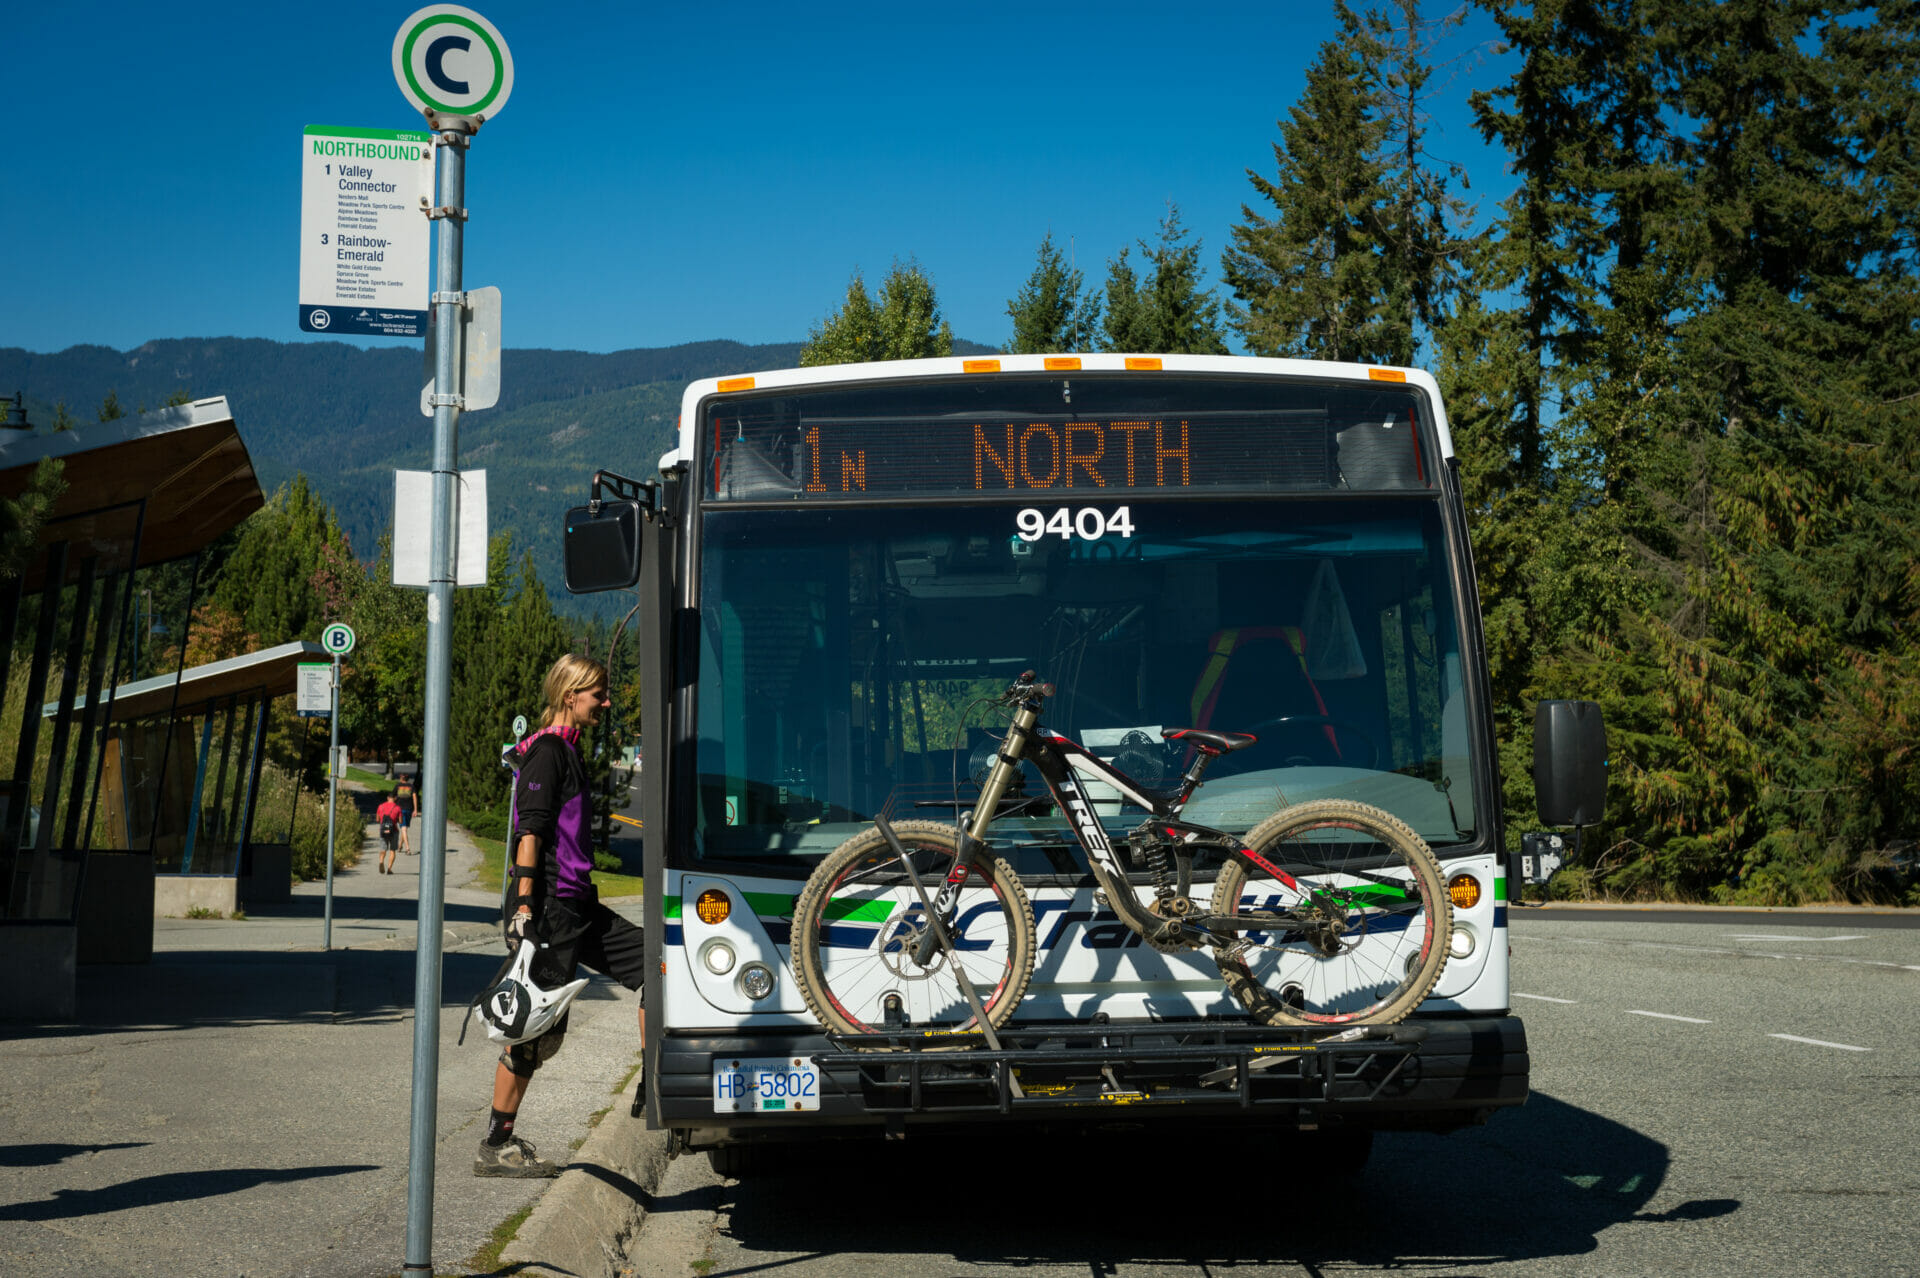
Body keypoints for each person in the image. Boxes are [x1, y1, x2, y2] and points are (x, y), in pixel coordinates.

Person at [475, 653, 646, 1178]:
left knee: (657, 964)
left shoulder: (568, 750)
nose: (607, 702)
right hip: (547, 908)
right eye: (598, 693)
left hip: (578, 904)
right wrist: (523, 906)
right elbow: (531, 831)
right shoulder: (547, 751)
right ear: (571, 695)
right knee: (534, 1028)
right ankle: (495, 1146)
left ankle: (655, 1083)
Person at [375, 795, 404, 875]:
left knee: (383, 849)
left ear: (387, 798)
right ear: (395, 798)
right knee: (392, 850)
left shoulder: (380, 806)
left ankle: (381, 861)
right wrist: (395, 819)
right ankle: (389, 869)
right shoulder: (398, 808)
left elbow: (377, 820)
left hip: (383, 831)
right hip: (393, 831)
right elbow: (401, 821)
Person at [394, 770, 419, 853]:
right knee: (404, 828)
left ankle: (407, 848)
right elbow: (415, 797)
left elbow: (392, 797)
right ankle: (401, 846)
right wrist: (415, 810)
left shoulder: (397, 786)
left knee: (403, 829)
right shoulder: (411, 786)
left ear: (401, 778)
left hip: (400, 810)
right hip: (409, 809)